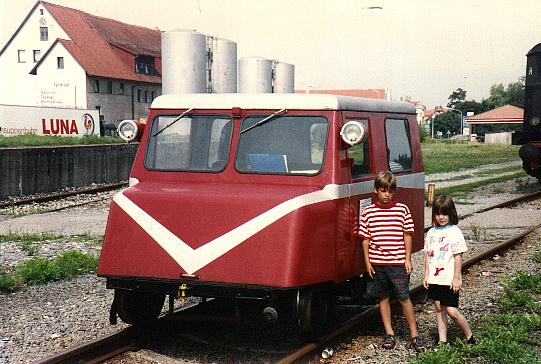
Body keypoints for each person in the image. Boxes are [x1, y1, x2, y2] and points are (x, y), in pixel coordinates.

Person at [358, 171, 425, 351]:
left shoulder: (402, 210)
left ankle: (415, 335)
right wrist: (367, 263)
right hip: (377, 263)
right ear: (376, 191)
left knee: (404, 298)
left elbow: (407, 235)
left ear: (394, 191)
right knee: (383, 298)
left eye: (390, 191)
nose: (387, 194)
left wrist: (407, 259)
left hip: (397, 263)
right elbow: (365, 240)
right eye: (383, 190)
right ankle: (389, 333)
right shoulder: (368, 212)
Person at [423, 195, 477, 346]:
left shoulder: (455, 232)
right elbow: (428, 256)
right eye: (438, 213)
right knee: (439, 309)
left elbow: (458, 257)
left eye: (444, 214)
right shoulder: (431, 233)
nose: (441, 217)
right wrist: (426, 275)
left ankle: (470, 336)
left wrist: (456, 278)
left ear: (451, 213)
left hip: (449, 279)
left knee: (452, 311)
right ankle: (442, 341)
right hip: (435, 278)